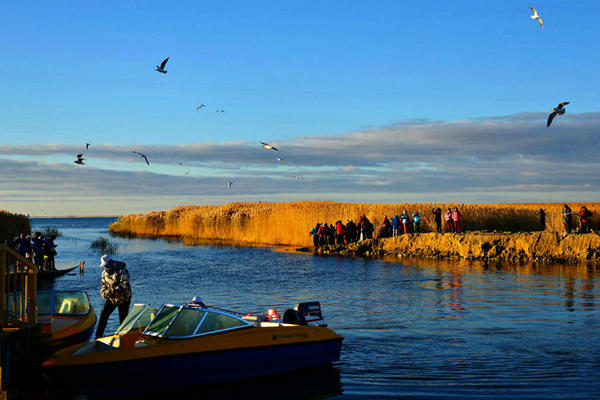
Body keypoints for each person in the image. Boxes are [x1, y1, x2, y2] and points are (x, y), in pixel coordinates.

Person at [95, 254, 132, 339]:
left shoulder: (121, 269)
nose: (106, 267)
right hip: (112, 298)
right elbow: (103, 285)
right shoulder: (104, 272)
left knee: (123, 319)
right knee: (104, 315)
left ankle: (123, 338)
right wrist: (104, 293)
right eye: (104, 266)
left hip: (124, 298)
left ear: (111, 262)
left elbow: (125, 284)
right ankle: (98, 336)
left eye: (106, 265)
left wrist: (112, 291)